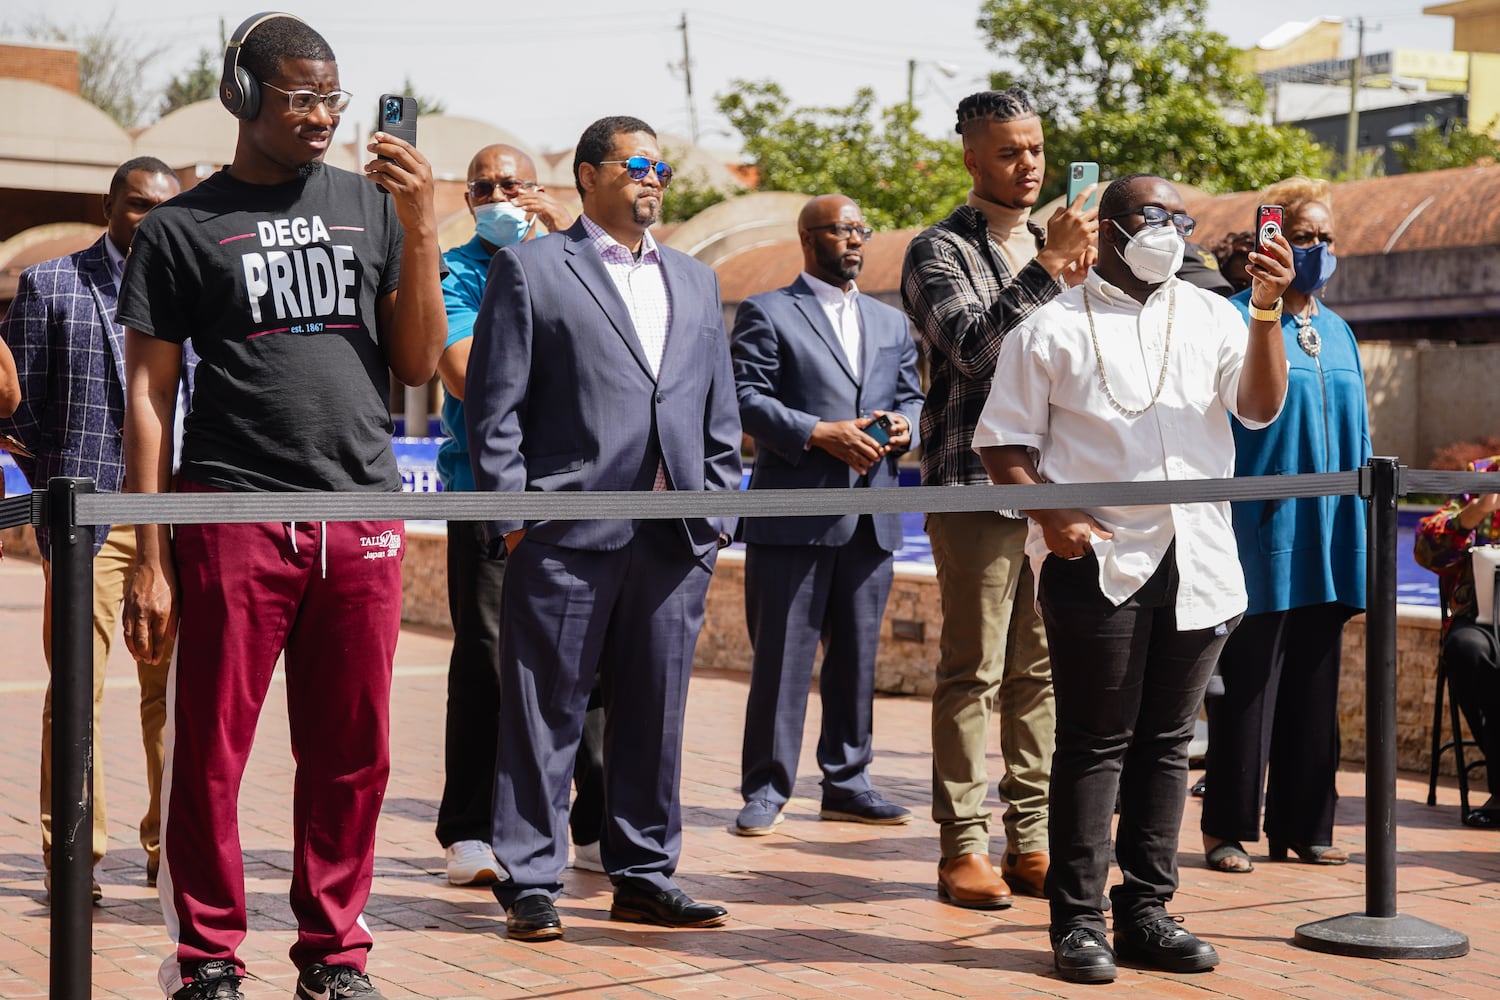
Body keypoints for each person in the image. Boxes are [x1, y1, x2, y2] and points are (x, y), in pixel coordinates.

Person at [117, 13, 446, 1000]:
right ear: (243, 95)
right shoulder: (182, 227)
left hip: (359, 507)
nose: (319, 116)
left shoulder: (373, 207)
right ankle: (209, 954)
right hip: (229, 508)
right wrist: (150, 549)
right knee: (211, 749)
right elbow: (148, 394)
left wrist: (425, 224)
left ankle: (334, 955)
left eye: (331, 98)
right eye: (299, 95)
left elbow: (421, 362)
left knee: (353, 750)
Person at [974, 173, 1292, 983]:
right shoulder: (1048, 327)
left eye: (1181, 218)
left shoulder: (1215, 312)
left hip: (1200, 558)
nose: (1171, 229)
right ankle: (1077, 922)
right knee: (1094, 743)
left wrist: (1264, 311)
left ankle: (1146, 910)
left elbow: (1257, 408)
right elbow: (1001, 447)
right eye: (1154, 215)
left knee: (1168, 747)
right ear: (1110, 228)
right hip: (1099, 559)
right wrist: (1052, 518)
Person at [464, 115, 741, 942]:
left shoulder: (695, 280)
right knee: (544, 712)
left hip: (673, 540)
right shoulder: (532, 269)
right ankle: (531, 878)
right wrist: (518, 524)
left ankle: (645, 873)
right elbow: (494, 406)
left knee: (656, 716)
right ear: (588, 176)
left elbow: (715, 407)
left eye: (661, 166)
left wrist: (718, 514)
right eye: (637, 164)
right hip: (565, 538)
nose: (653, 178)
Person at [900, 87, 1096, 908]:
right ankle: (961, 847)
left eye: (1038, 151)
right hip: (973, 481)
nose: (1029, 166)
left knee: (1040, 672)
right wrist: (1049, 269)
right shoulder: (934, 251)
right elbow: (978, 353)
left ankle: (1032, 840)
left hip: (1059, 484)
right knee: (973, 669)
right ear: (973, 159)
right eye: (1011, 153)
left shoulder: (1079, 247)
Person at [0, 155, 184, 904]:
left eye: (163, 209)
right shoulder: (52, 286)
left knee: (173, 696)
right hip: (87, 527)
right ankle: (74, 853)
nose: (151, 221)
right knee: (77, 693)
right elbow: (24, 416)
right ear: (109, 205)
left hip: (177, 519)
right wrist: (54, 509)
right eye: (138, 205)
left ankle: (168, 849)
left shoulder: (193, 293)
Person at [431, 142, 606, 886]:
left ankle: (597, 824)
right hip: (486, 490)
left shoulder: (581, 260)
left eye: (514, 184)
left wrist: (574, 241)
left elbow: (619, 353)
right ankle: (471, 831)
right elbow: (471, 375)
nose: (500, 196)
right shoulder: (456, 271)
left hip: (581, 490)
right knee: (488, 658)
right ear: (468, 201)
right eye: (485, 187)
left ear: (541, 190)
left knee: (592, 662)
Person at [729, 194, 925, 836]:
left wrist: (905, 425)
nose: (855, 242)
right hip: (794, 516)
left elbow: (913, 397)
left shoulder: (889, 321)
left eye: (861, 231)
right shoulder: (767, 311)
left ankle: (848, 781)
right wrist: (818, 432)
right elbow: (744, 398)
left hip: (872, 516)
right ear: (808, 237)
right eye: (842, 231)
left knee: (857, 659)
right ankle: (765, 788)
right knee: (782, 660)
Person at [1200, 176, 1370, 874]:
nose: (1320, 250)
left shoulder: (1339, 331)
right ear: (1273, 240)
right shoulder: (1234, 318)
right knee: (1249, 684)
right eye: (1307, 237)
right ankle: (1228, 828)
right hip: (1259, 529)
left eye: (1328, 238)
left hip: (1330, 535)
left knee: (1315, 683)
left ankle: (1305, 825)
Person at [1415, 458, 1500, 828]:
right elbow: (1425, 548)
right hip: (1480, 618)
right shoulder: (1482, 475)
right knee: (1466, 650)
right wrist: (1476, 511)